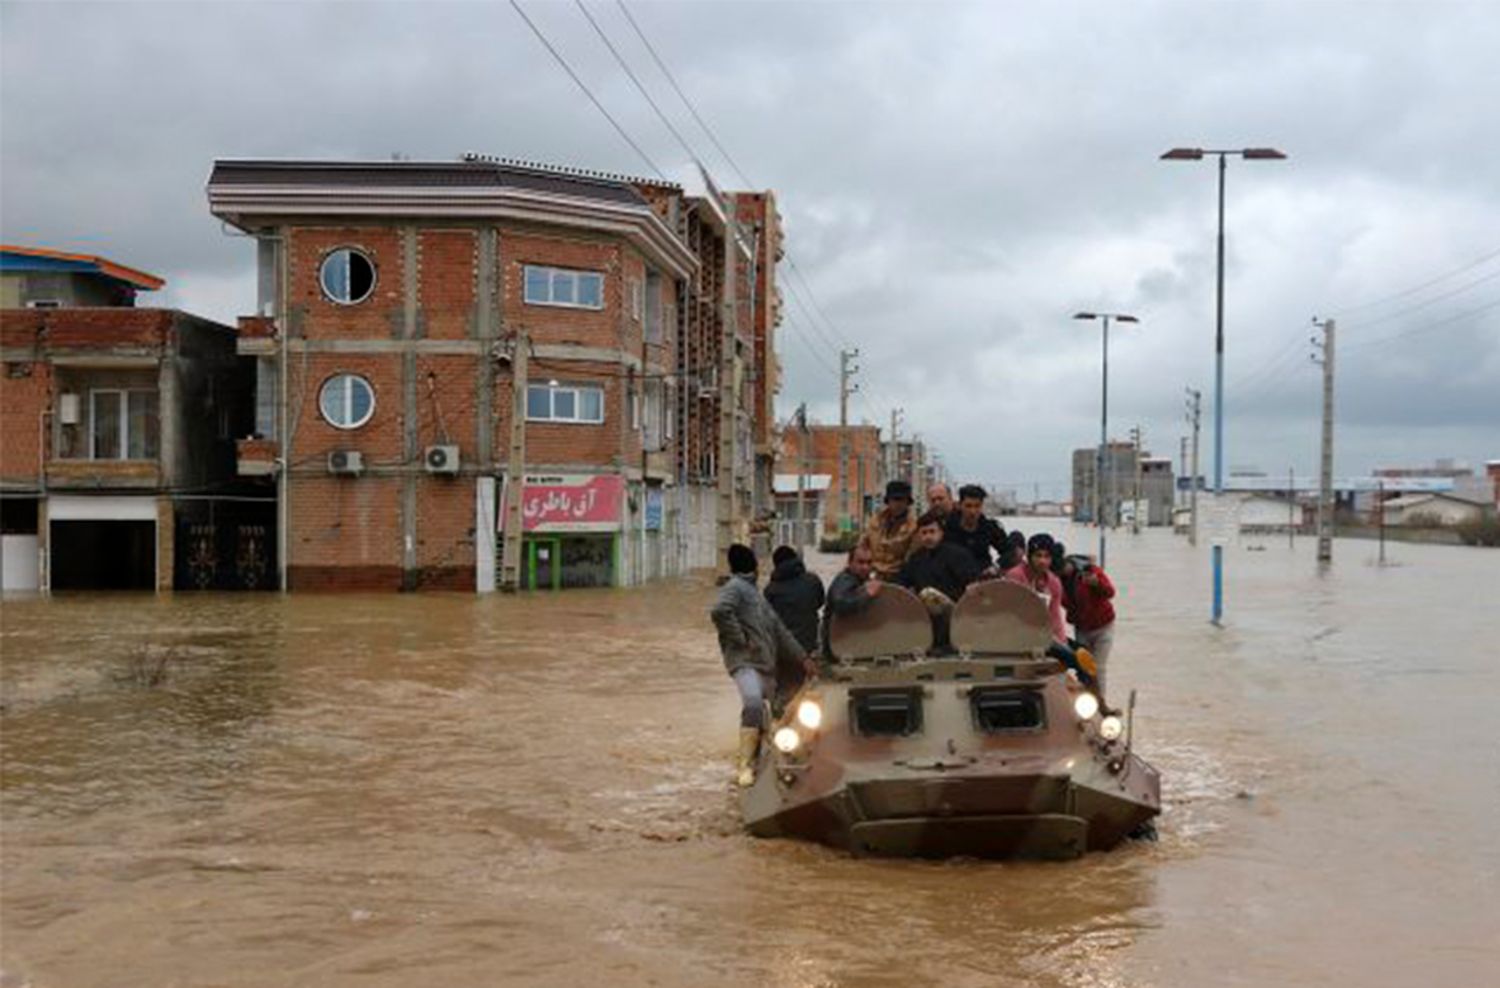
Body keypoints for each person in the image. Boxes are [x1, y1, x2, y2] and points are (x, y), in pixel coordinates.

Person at [710, 543, 814, 787]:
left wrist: (803, 658)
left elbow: (780, 631)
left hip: (764, 665)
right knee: (754, 702)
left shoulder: (756, 594)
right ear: (753, 566)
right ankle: (744, 766)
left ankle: (761, 764)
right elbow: (719, 611)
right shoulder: (736, 587)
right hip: (745, 662)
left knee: (771, 718)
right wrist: (741, 640)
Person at [1004, 533, 1095, 687]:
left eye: (1047, 556)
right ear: (1028, 556)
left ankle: (1091, 700)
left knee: (1086, 657)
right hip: (1021, 634)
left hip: (1046, 635)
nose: (1042, 561)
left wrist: (1063, 644)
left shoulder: (1053, 582)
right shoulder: (1015, 577)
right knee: (1076, 659)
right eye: (1038, 556)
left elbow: (1055, 618)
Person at [899, 509, 980, 652]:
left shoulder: (959, 555)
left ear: (941, 533)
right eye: (924, 533)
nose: (928, 537)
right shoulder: (915, 559)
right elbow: (901, 585)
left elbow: (973, 588)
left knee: (929, 595)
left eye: (932, 532)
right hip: (925, 622)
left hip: (957, 620)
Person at [763, 545, 825, 698]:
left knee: (785, 695)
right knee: (812, 693)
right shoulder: (813, 581)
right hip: (811, 648)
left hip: (784, 653)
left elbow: (768, 623)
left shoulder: (771, 590)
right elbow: (820, 602)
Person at [1061, 554, 1117, 693]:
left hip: (1104, 626)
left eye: (1063, 567)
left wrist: (1097, 583)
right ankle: (1086, 701)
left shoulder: (1089, 570)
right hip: (1082, 628)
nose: (1062, 571)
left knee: (1098, 668)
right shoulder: (1057, 580)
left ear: (1068, 563)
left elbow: (1110, 592)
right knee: (1084, 667)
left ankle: (1101, 703)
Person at [821, 543, 884, 661]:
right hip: (839, 648)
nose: (865, 567)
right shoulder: (845, 580)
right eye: (860, 562)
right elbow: (841, 604)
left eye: (869, 562)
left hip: (847, 644)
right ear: (850, 563)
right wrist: (868, 595)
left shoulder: (860, 580)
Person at [944, 484, 1009, 575]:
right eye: (968, 506)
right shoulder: (947, 527)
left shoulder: (989, 527)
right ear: (960, 505)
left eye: (977, 506)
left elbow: (1009, 551)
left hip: (983, 579)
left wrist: (996, 567)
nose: (972, 511)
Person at [861, 480, 918, 581]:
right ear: (888, 501)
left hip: (898, 577)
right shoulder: (875, 522)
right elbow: (862, 547)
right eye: (895, 499)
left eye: (902, 500)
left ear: (907, 502)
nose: (898, 504)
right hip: (870, 573)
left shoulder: (913, 527)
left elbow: (911, 559)